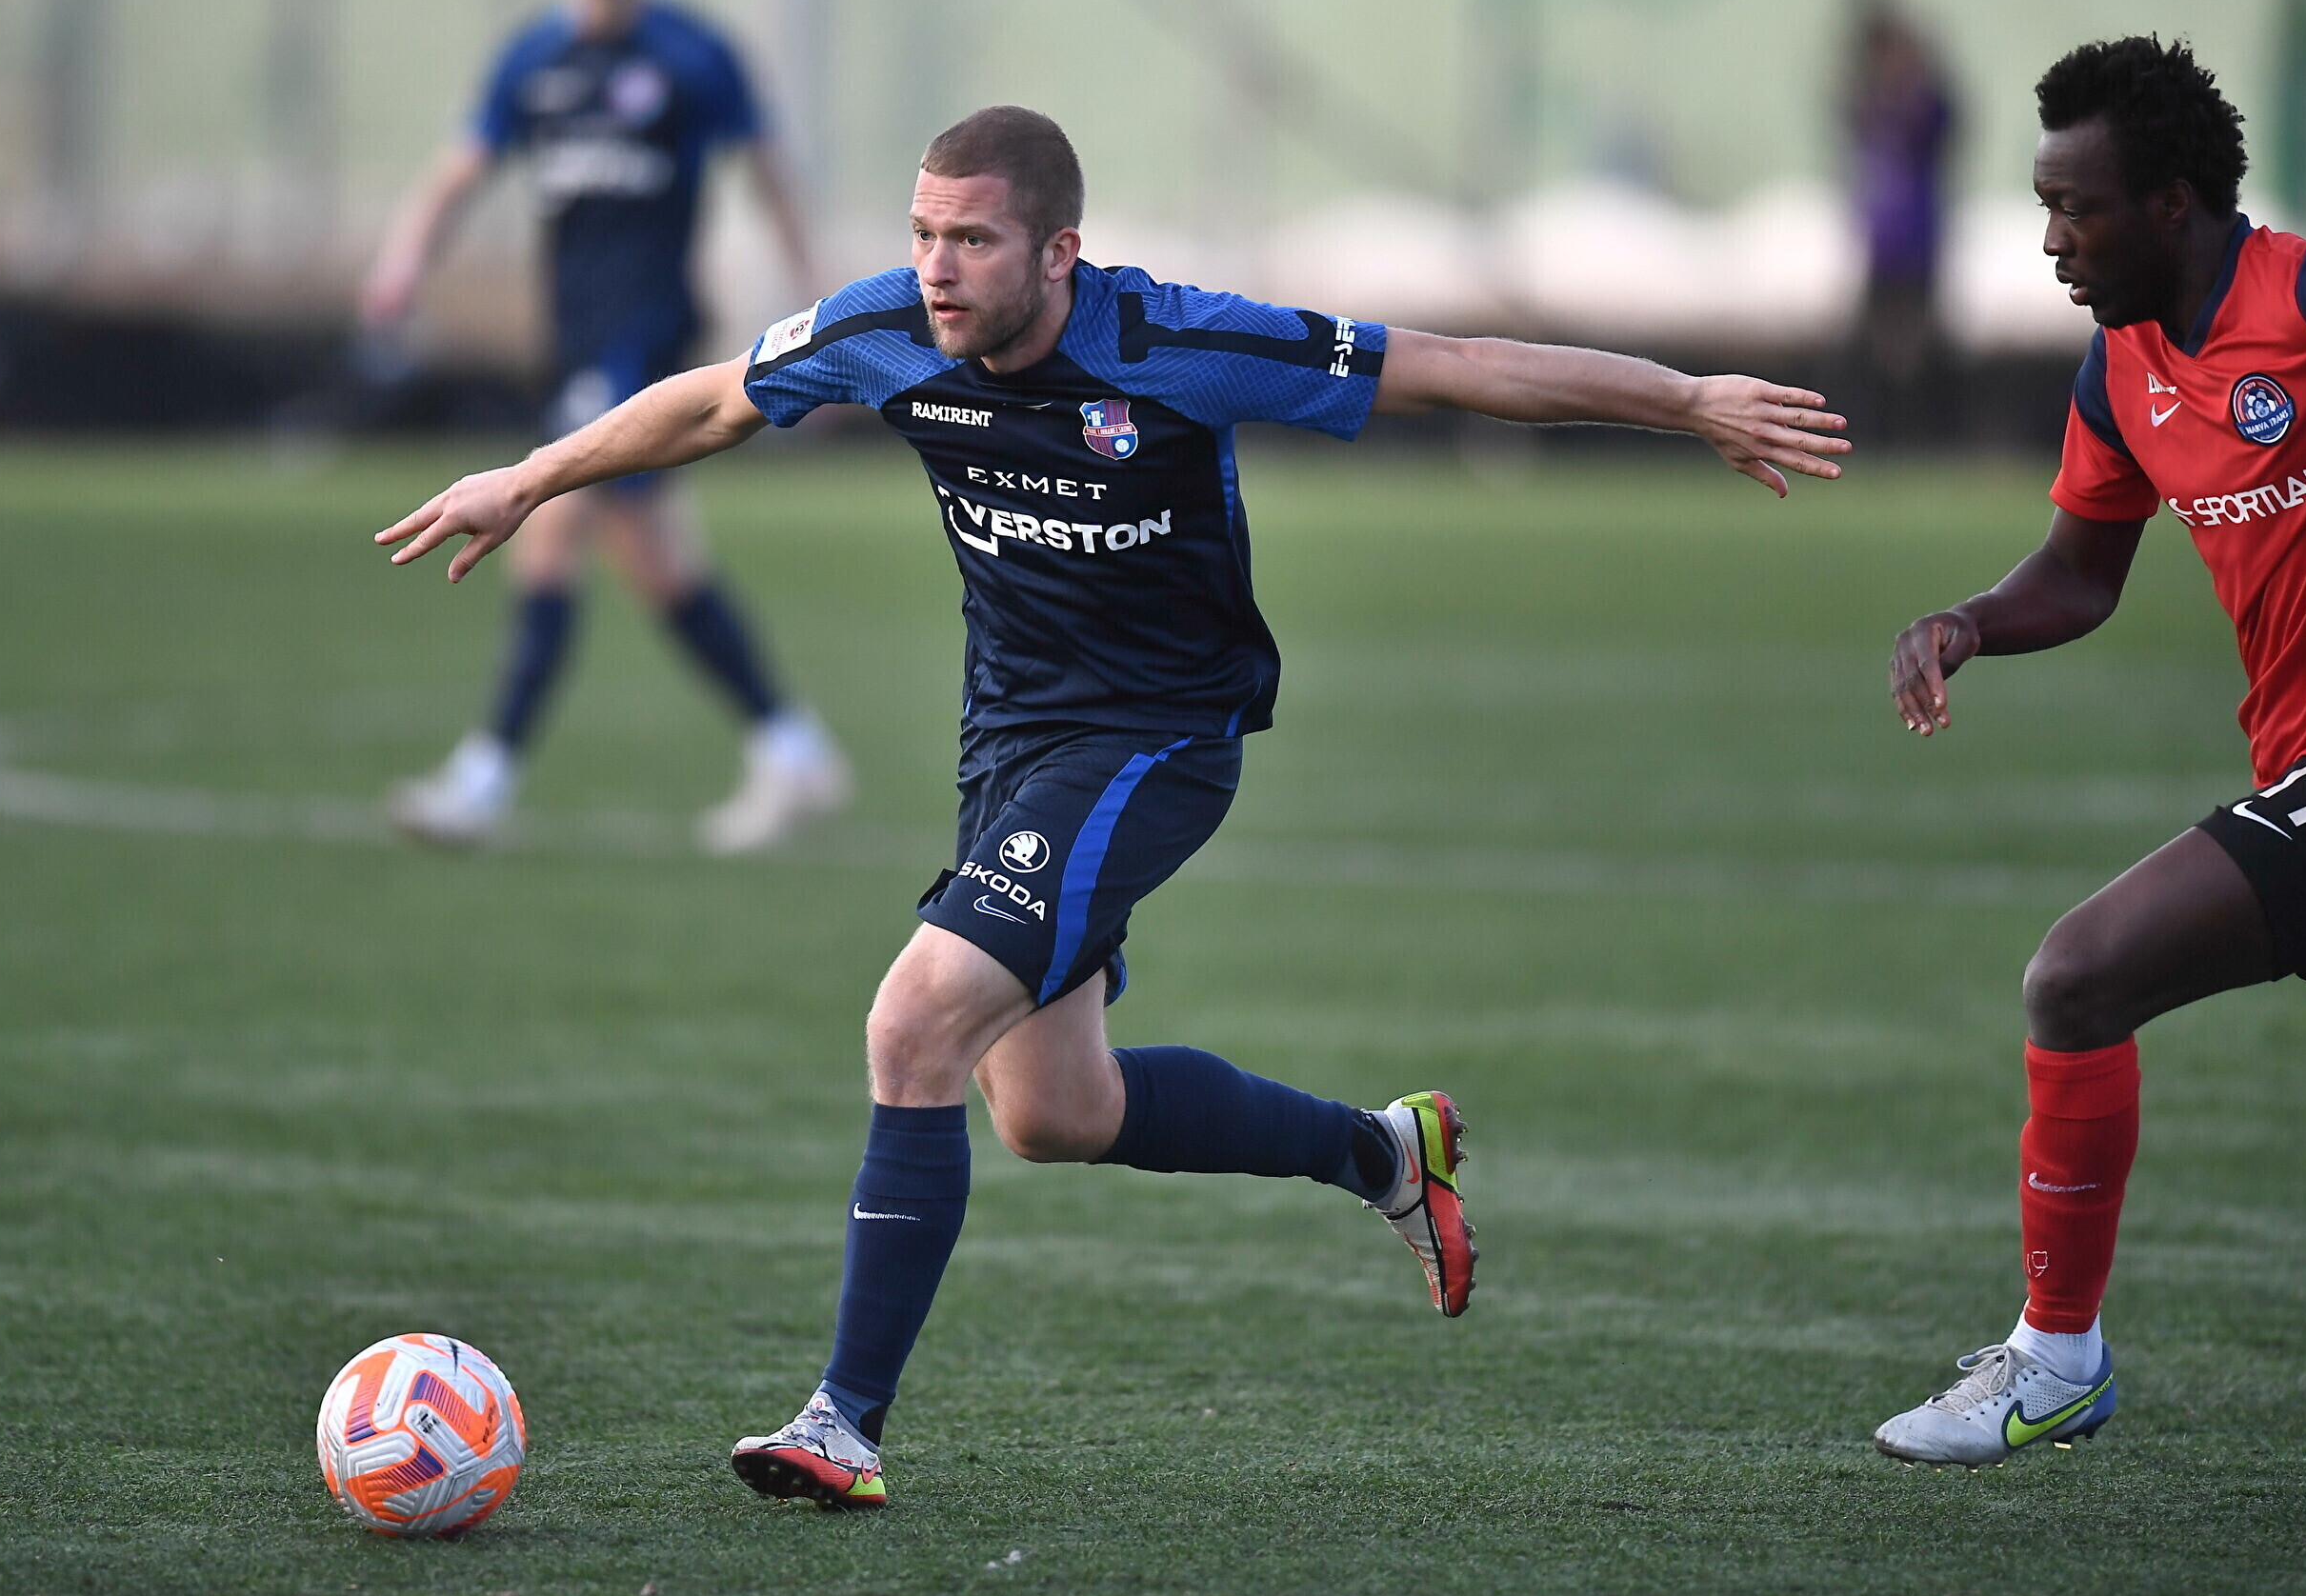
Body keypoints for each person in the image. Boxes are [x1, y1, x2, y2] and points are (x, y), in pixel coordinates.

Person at [380, 104, 1849, 1507]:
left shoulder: (1178, 343)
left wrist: (1688, 402)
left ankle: (843, 1422)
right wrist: (535, 477)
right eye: (924, 235)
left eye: (973, 241)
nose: (938, 269)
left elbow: (1455, 365)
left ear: (1059, 252)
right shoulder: (887, 330)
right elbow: (713, 402)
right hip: (1010, 749)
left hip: (1156, 742)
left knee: (912, 1025)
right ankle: (1385, 1155)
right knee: (1053, 1111)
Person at [1878, 34, 2306, 1466]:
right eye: (2043, 205)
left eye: (2074, 208)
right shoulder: (2124, 369)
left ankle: (2055, 1360)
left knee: (2078, 976)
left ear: (2171, 203)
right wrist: (1967, 622)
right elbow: (2082, 573)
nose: (2051, 241)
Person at [361, 0, 848, 854]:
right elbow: (461, 170)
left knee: (548, 523)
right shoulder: (532, 61)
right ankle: (790, 745)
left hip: (649, 333)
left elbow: (770, 172)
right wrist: (405, 258)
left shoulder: (692, 54)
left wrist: (819, 298)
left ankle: (484, 779)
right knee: (657, 561)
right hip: (574, 335)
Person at [1841, 0, 1957, 444]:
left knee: (1917, 341)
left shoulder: (1923, 103)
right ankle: (1883, 433)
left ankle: (1919, 433)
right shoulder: (1875, 102)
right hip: (1883, 239)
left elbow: (1937, 123)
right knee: (1877, 341)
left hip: (1916, 237)